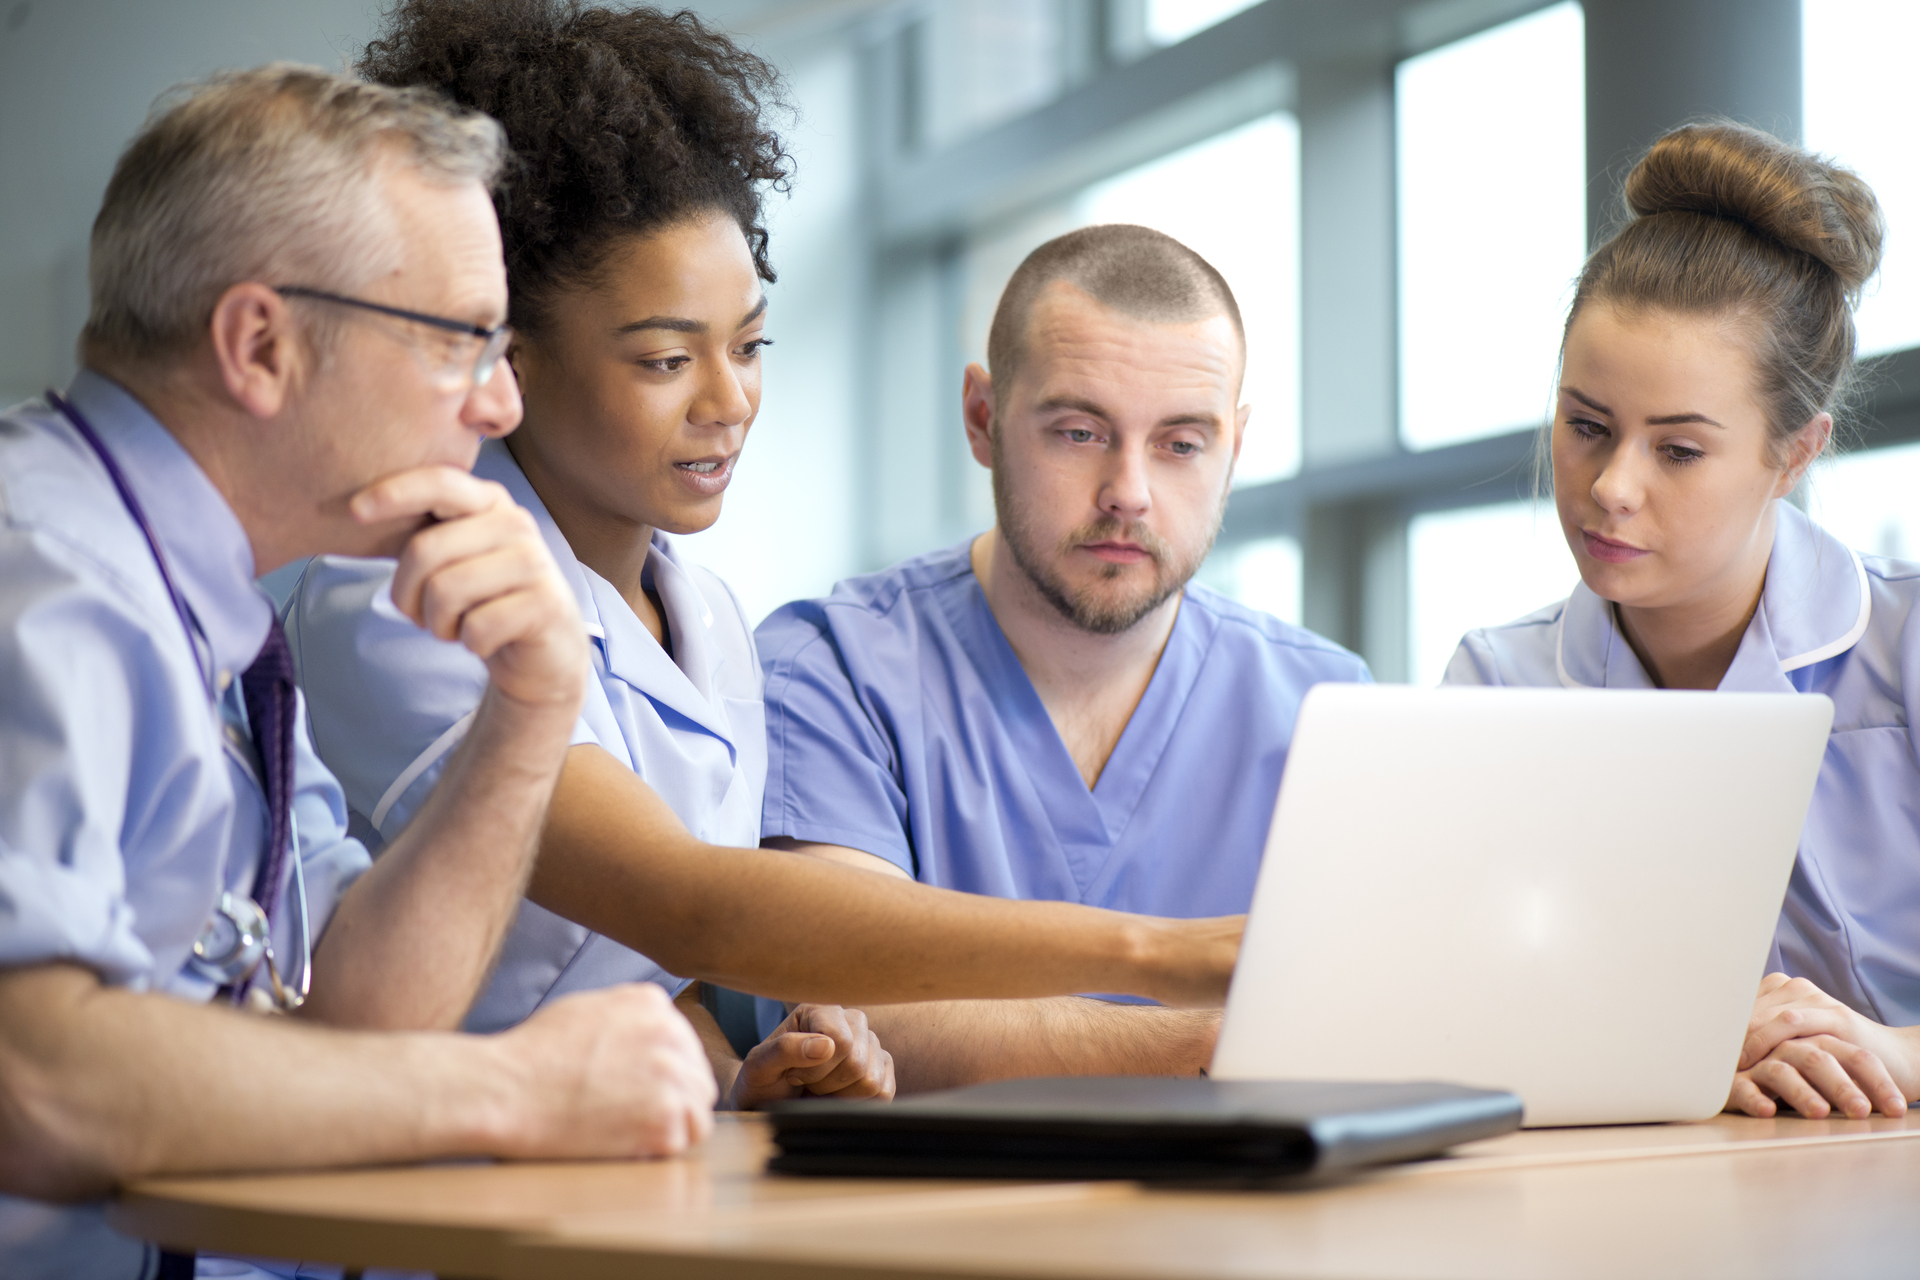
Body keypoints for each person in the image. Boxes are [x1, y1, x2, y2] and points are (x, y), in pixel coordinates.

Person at [284, 0, 1242, 1110]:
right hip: (383, 1201)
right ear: (509, 360)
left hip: (588, 1181)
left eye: (748, 345)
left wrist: (745, 1082)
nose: (729, 401)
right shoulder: (404, 590)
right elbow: (686, 902)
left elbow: (651, 981)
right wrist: (1160, 955)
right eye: (662, 360)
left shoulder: (708, 621)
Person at [0, 66, 721, 1280]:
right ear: (261, 344)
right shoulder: (45, 579)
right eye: (462, 341)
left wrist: (533, 710)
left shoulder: (216, 613)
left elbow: (349, 1014)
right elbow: (30, 1078)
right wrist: (509, 1087)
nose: (498, 405)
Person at [756, 224, 1372, 1090]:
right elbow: (848, 1009)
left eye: (1182, 444)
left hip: (1250, 1217)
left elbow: (1388, 1003)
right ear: (983, 418)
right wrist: (1215, 1046)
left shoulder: (1333, 707)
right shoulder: (828, 671)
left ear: (1233, 449)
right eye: (1080, 433)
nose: (1129, 491)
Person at [1441, 121, 1920, 1122]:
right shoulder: (1497, 686)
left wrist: (1888, 1050)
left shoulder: (1904, 644)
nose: (1610, 487)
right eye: (1586, 427)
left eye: (1679, 450)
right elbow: (1466, 1018)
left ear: (1796, 453)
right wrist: (1681, 1056)